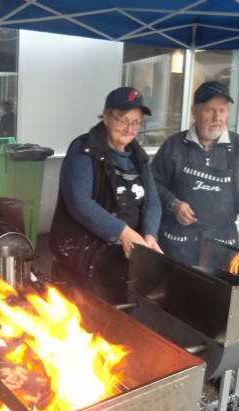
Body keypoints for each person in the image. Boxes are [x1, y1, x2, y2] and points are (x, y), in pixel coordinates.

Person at [49, 87, 162, 305]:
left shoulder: (138, 155)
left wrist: (149, 235)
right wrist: (123, 233)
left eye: (136, 122)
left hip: (122, 260)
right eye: (122, 120)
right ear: (106, 117)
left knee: (119, 320)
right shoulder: (84, 149)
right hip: (84, 260)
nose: (129, 128)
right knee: (84, 321)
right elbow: (79, 202)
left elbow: (153, 200)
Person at [151, 81, 239, 267]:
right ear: (194, 111)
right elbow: (153, 183)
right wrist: (173, 203)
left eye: (222, 111)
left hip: (221, 246)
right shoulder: (174, 146)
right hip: (177, 244)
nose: (217, 117)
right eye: (209, 110)